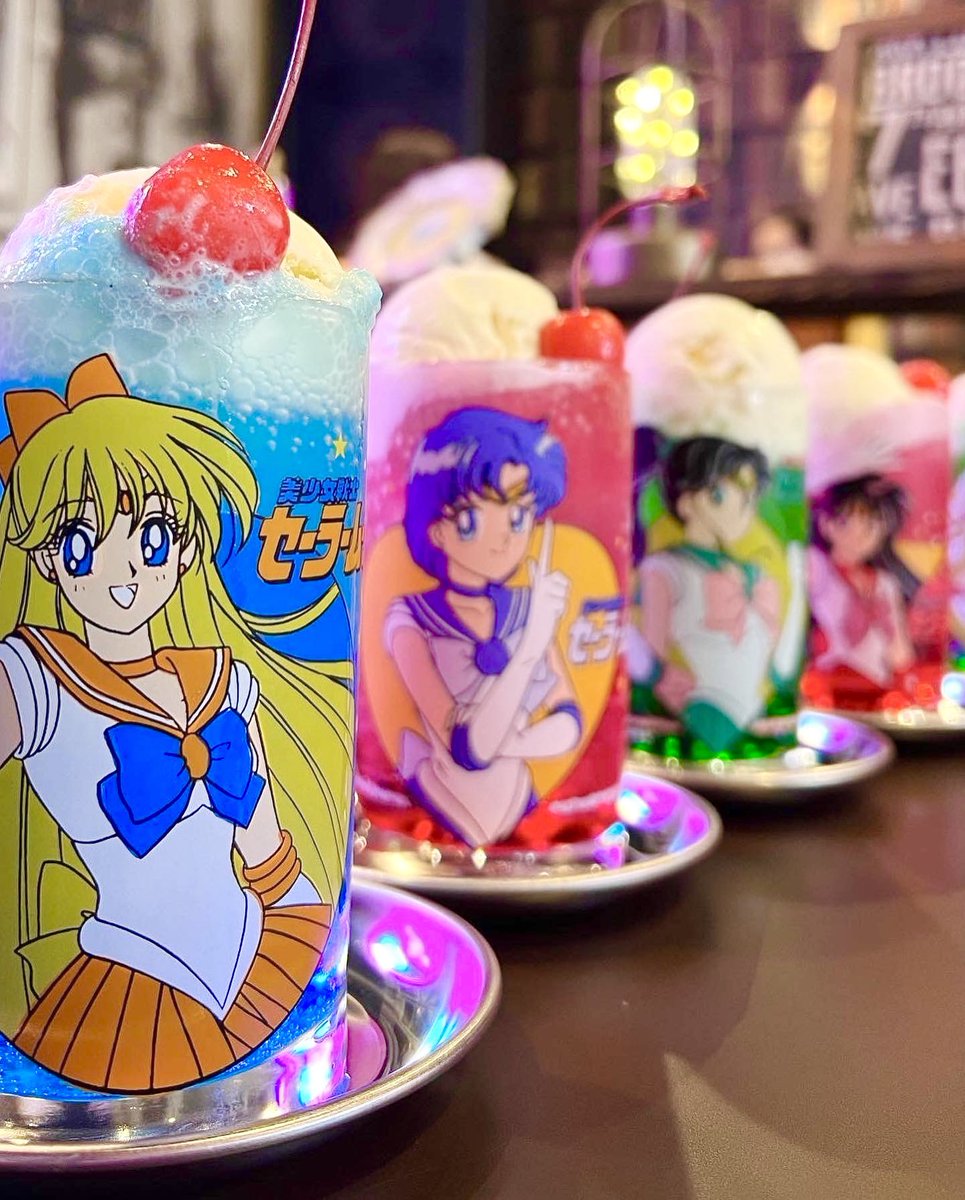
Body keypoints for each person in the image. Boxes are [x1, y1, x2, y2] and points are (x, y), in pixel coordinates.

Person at [0, 355, 351, 1093]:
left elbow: (258, 824)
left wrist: (297, 904)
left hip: (264, 950)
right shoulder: (34, 677)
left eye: (153, 537)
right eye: (80, 544)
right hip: (131, 984)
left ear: (186, 545)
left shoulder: (223, 676)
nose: (122, 572)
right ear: (49, 562)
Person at [385, 407, 581, 849]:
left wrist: (508, 743)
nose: (504, 539)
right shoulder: (409, 620)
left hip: (523, 805)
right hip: (434, 809)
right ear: (436, 530)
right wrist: (530, 647)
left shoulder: (528, 608)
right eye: (471, 519)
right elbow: (468, 748)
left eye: (518, 518)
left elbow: (569, 721)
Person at [638, 436, 805, 752]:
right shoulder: (667, 569)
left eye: (749, 497)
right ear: (686, 503)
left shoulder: (754, 576)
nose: (741, 507)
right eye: (719, 495)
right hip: (697, 708)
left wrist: (796, 574)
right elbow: (649, 653)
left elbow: (781, 664)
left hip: (758, 715)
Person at [809, 473, 918, 689]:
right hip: (826, 682)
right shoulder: (817, 567)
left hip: (875, 685)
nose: (857, 534)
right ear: (824, 523)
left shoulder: (886, 584)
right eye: (845, 522)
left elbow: (901, 655)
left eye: (870, 525)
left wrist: (887, 628)